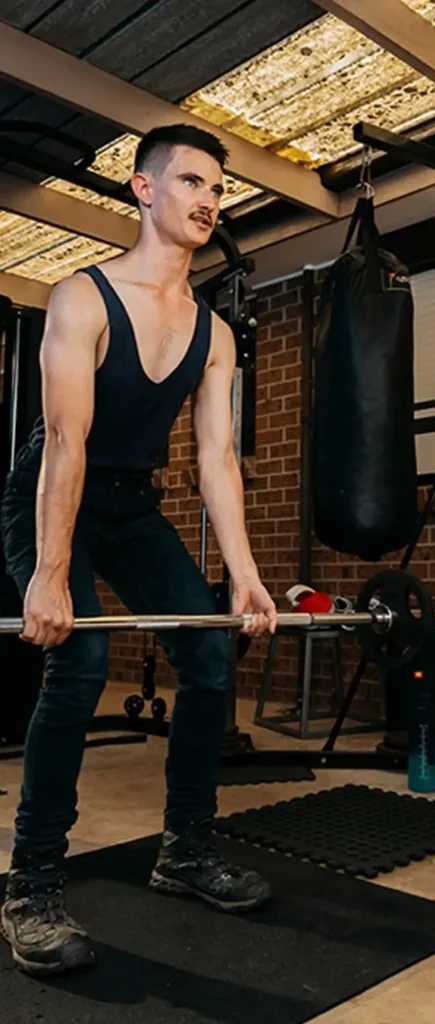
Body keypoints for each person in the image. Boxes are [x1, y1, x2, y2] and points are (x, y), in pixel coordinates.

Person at [0, 124, 278, 976]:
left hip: (130, 504)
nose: (207, 200)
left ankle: (185, 850)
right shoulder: (81, 299)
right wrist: (50, 576)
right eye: (190, 181)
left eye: (218, 189)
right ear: (142, 189)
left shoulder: (215, 334)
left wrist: (246, 575)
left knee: (207, 657)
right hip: (52, 496)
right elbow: (65, 446)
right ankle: (31, 886)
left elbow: (214, 459)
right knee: (78, 666)